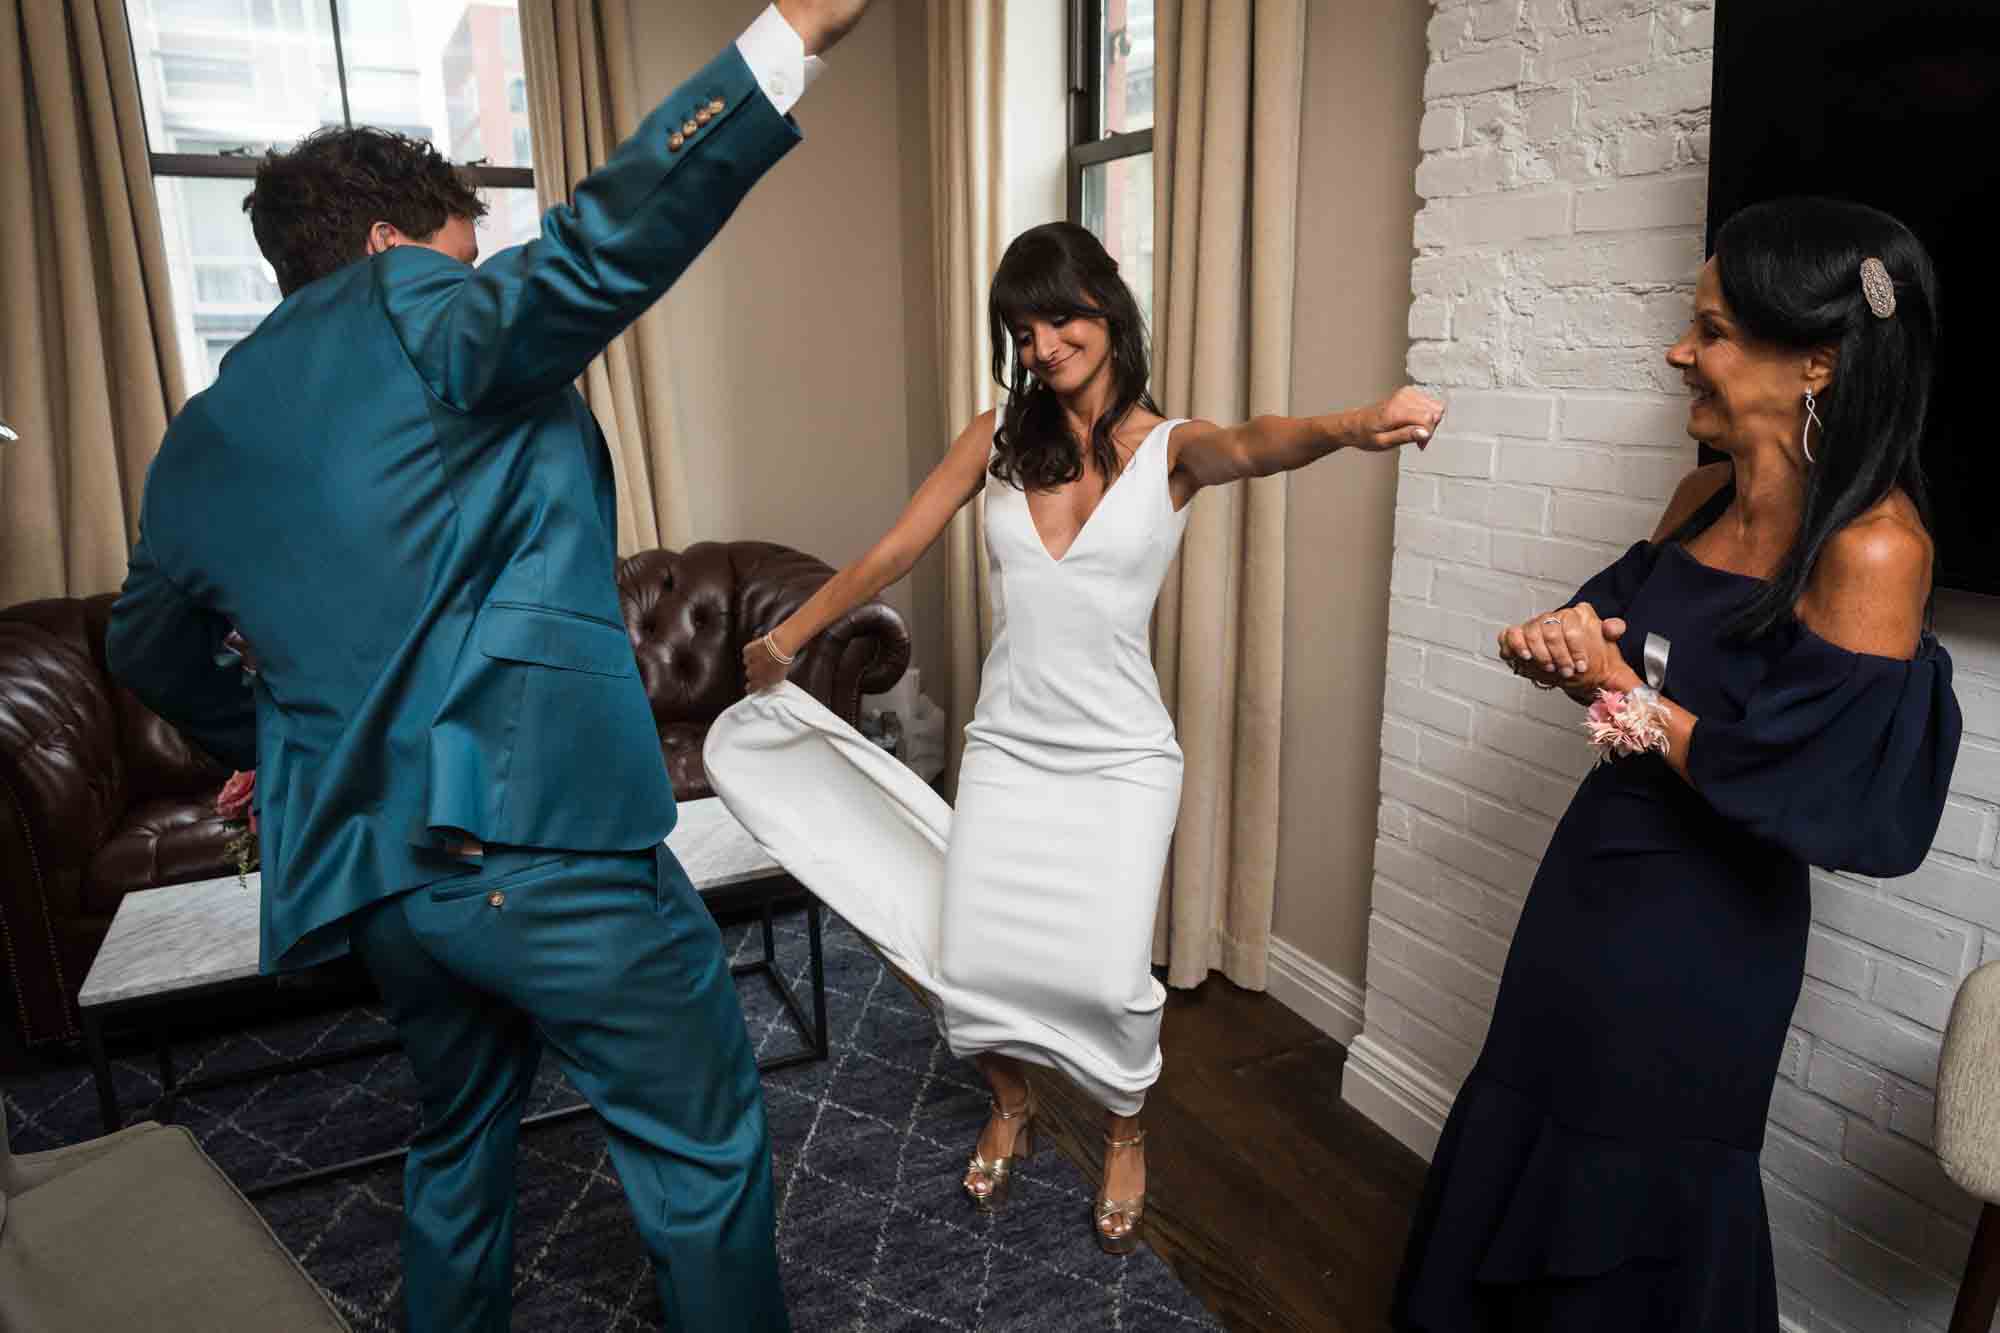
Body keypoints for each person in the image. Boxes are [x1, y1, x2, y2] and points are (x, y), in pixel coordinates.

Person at [104, 4, 873, 1328]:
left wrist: (299, 730)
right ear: (391, 245)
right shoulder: (426, 316)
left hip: (386, 885)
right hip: (546, 856)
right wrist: (789, 34)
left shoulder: (206, 436)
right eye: (466, 251)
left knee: (459, 1139)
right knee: (698, 1142)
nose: (482, 274)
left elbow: (147, 648)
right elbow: (608, 240)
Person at [705, 220, 1443, 1253]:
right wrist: (785, 635)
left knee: (1103, 976)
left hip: (1120, 762)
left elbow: (1257, 441)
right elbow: (892, 549)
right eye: (1021, 328)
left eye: (1058, 317)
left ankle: (1124, 1125)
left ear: (1107, 309)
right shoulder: (996, 440)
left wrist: (1354, 422)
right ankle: (1010, 1096)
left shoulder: (1169, 449)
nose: (1041, 346)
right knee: (967, 960)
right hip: (1010, 748)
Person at [1391, 196, 1963, 1331]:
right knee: (1527, 1112)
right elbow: (1607, 625)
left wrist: (1612, 688)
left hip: (1703, 934)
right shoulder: (1698, 491)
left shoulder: (1871, 548)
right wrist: (1552, 637)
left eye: (1707, 330)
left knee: (1636, 1176)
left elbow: (1792, 784)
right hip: (1592, 876)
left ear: (1812, 359)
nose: (1677, 351)